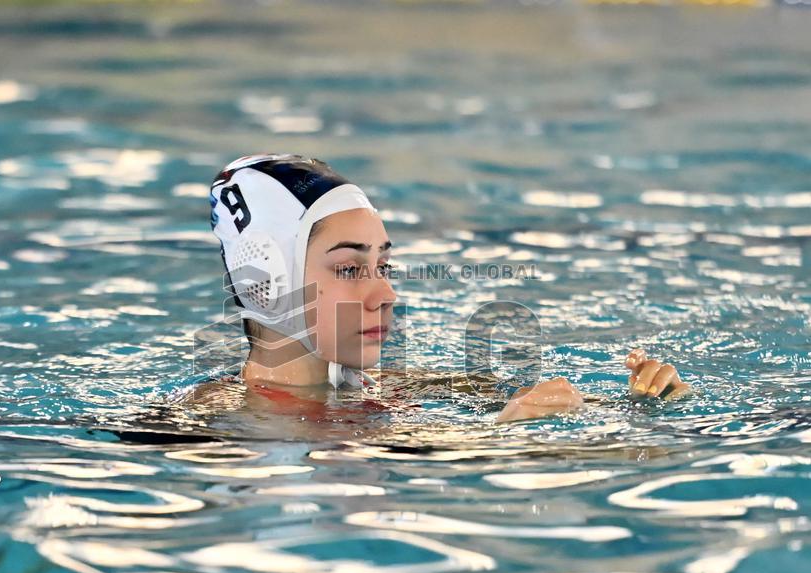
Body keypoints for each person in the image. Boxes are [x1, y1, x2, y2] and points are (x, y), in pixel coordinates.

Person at [191, 153, 691, 423]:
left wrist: (647, 402)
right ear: (266, 284)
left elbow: (558, 407)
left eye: (384, 266)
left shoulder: (397, 388)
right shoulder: (212, 431)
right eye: (348, 269)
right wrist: (504, 438)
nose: (386, 295)